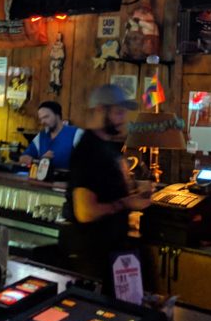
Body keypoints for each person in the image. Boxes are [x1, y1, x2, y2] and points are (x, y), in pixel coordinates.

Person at [61, 84, 150, 288]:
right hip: (90, 255)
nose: (123, 119)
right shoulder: (87, 151)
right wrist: (126, 203)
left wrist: (136, 191)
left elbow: (115, 189)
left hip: (112, 249)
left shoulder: (109, 147)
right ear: (101, 110)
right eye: (119, 112)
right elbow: (85, 211)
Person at [19, 100, 81, 171]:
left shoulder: (76, 134)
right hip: (42, 180)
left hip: (67, 180)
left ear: (57, 115)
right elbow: (22, 158)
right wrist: (41, 161)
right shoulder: (41, 136)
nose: (42, 122)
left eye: (46, 117)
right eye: (41, 119)